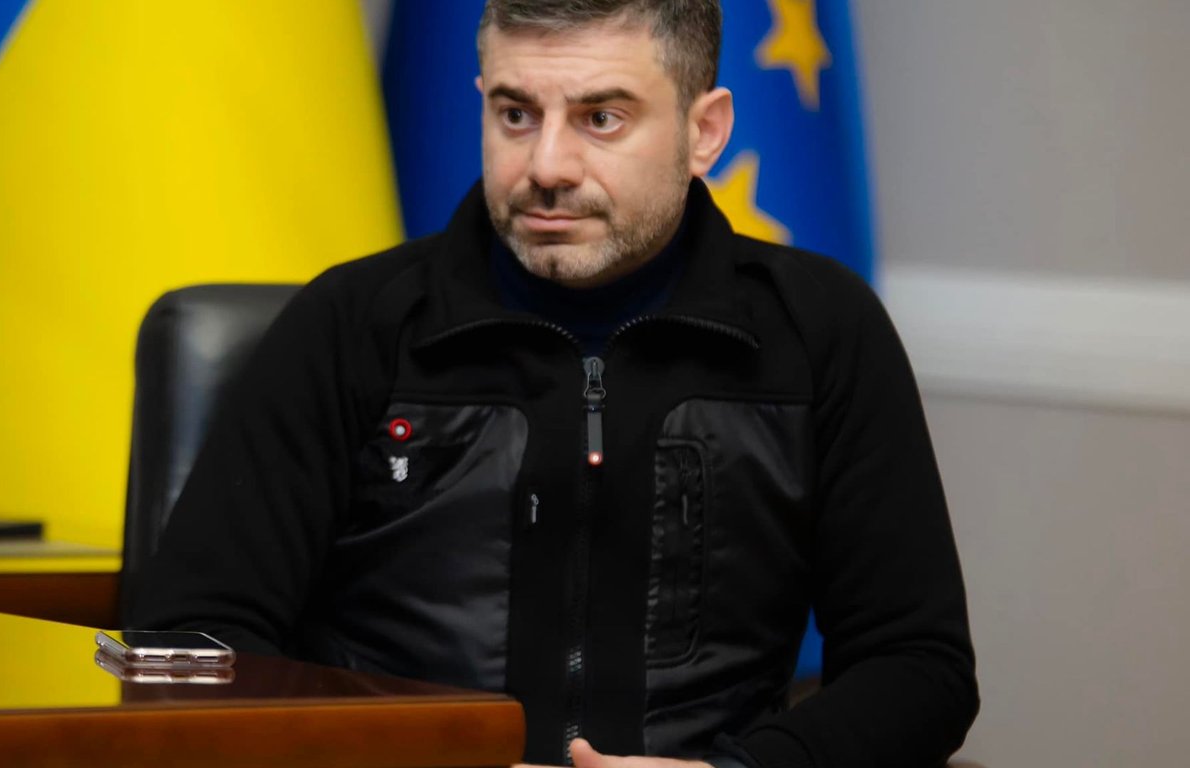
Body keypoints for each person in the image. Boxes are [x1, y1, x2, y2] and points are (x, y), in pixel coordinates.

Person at [129, 1, 980, 766]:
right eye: (515, 114)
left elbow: (919, 668)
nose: (546, 166)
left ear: (705, 132)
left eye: (600, 118)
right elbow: (189, 644)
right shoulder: (352, 323)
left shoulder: (819, 330)